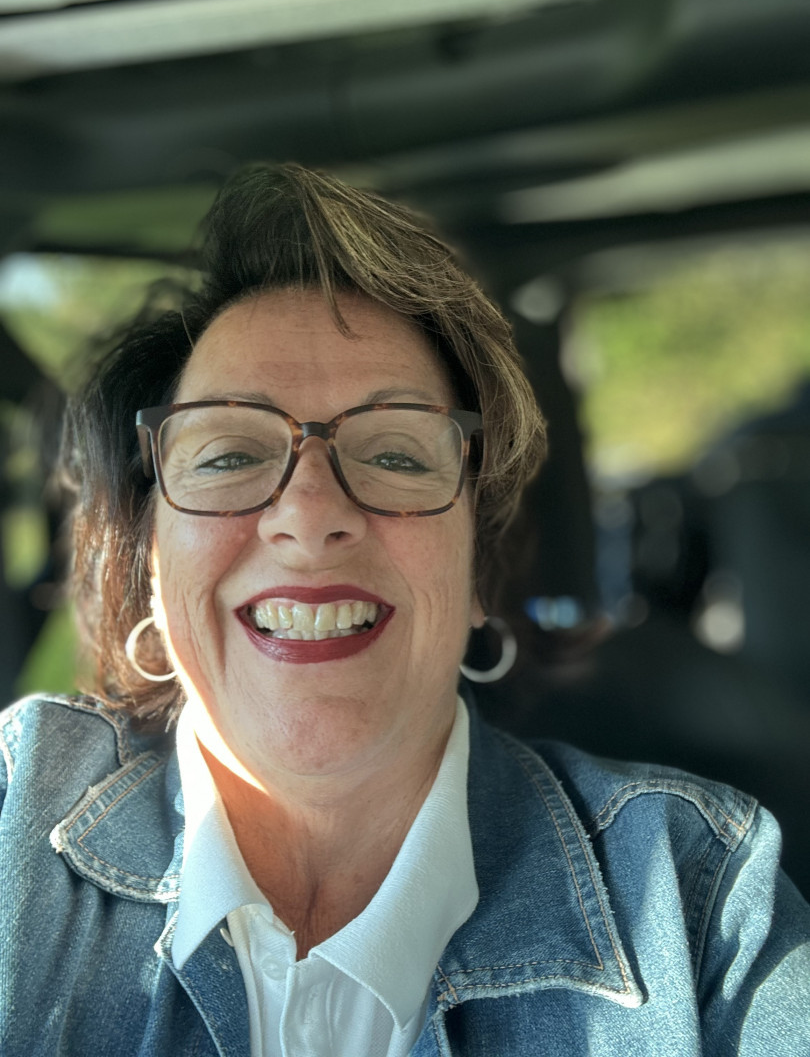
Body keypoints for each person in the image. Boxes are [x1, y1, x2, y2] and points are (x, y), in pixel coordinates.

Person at [1, 164, 808, 1057]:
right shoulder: (12, 827)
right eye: (229, 455)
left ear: (476, 565)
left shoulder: (700, 909)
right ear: (149, 557)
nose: (310, 515)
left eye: (395, 455)